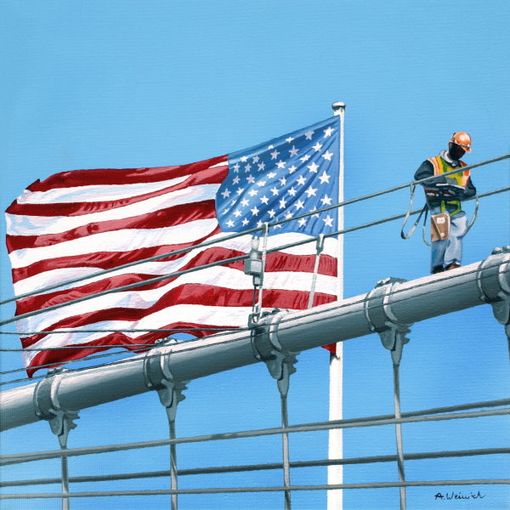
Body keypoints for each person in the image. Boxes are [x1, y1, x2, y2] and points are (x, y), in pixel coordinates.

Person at [414, 132, 477, 274]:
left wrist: (459, 192)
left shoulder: (464, 169)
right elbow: (420, 176)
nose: (461, 153)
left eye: (463, 151)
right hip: (438, 205)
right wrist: (442, 183)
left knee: (459, 229)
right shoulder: (433, 163)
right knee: (441, 235)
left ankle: (452, 264)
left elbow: (471, 190)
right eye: (459, 149)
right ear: (451, 145)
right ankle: (438, 267)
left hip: (454, 207)